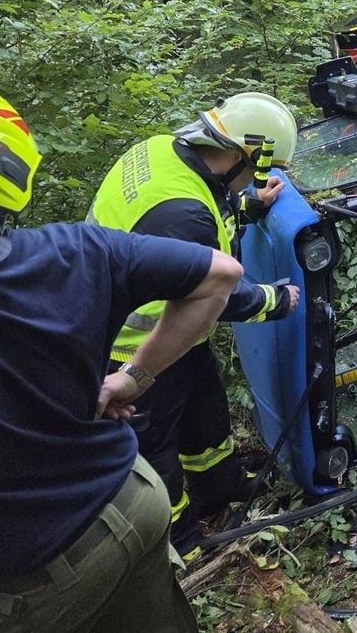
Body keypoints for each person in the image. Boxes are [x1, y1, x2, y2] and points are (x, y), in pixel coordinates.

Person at [0, 66, 244, 631]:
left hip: (27, 576)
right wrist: (134, 378)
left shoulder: (159, 157)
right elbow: (222, 275)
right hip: (128, 497)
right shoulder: (77, 251)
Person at [87, 91, 302, 561]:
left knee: (205, 406)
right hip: (137, 347)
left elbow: (206, 214)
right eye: (259, 168)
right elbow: (212, 293)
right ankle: (181, 538)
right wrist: (275, 299)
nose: (257, 178)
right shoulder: (180, 214)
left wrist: (250, 207)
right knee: (154, 448)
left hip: (175, 338)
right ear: (245, 153)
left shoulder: (166, 153)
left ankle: (221, 487)